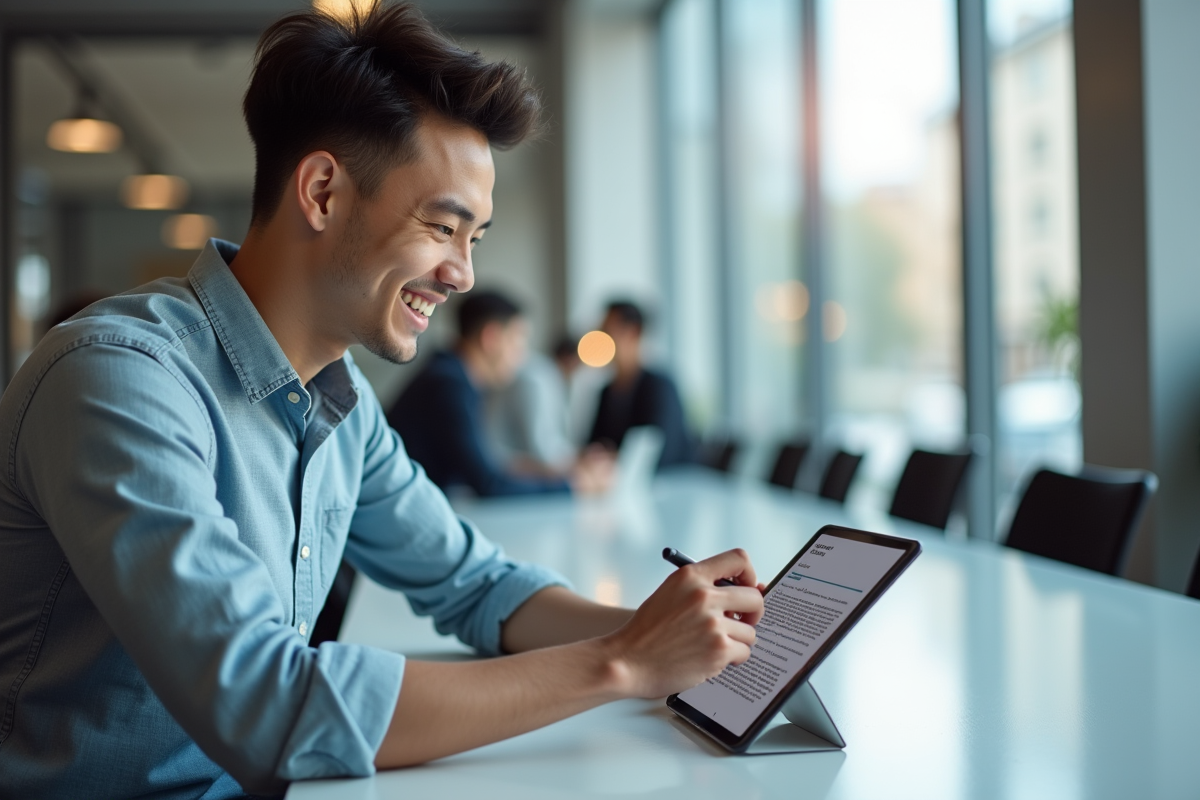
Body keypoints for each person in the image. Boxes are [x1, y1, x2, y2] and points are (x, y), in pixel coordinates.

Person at [0, 6, 763, 799]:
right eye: (443, 226)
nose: (463, 274)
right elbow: (268, 704)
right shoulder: (119, 380)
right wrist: (625, 663)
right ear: (324, 191)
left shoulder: (343, 404)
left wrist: (678, 626)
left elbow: (478, 585)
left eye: (477, 239)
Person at [388, 291, 592, 495]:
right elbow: (488, 483)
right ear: (491, 338)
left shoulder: (451, 374)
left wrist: (559, 472)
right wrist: (574, 487)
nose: (522, 356)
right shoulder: (449, 385)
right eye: (517, 341)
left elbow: (488, 464)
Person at [588, 300, 695, 469]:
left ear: (634, 332)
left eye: (607, 332)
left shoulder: (660, 387)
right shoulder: (606, 392)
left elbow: (661, 454)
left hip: (671, 486)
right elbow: (593, 446)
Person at [484, 334, 581, 478]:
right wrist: (577, 463)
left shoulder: (541, 376)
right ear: (570, 360)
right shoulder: (538, 379)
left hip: (503, 470)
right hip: (509, 475)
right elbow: (540, 446)